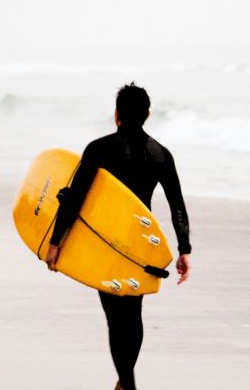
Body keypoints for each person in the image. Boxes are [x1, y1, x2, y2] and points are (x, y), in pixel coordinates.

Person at [45, 82, 192, 390]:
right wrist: (184, 248)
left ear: (116, 114)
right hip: (139, 243)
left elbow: (75, 198)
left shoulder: (99, 149)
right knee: (133, 314)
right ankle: (126, 383)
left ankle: (127, 384)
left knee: (115, 318)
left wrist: (56, 241)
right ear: (147, 114)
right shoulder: (161, 155)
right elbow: (177, 204)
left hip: (105, 242)